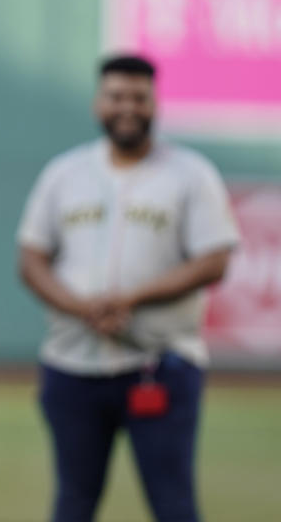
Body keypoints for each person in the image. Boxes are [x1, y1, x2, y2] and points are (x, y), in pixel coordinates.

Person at [18, 54, 239, 522]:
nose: (128, 107)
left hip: (159, 363)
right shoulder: (65, 173)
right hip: (71, 363)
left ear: (155, 103)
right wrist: (83, 308)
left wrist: (131, 299)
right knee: (74, 504)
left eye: (139, 97)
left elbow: (214, 260)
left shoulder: (190, 173)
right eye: (117, 96)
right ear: (99, 102)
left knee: (174, 504)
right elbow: (31, 259)